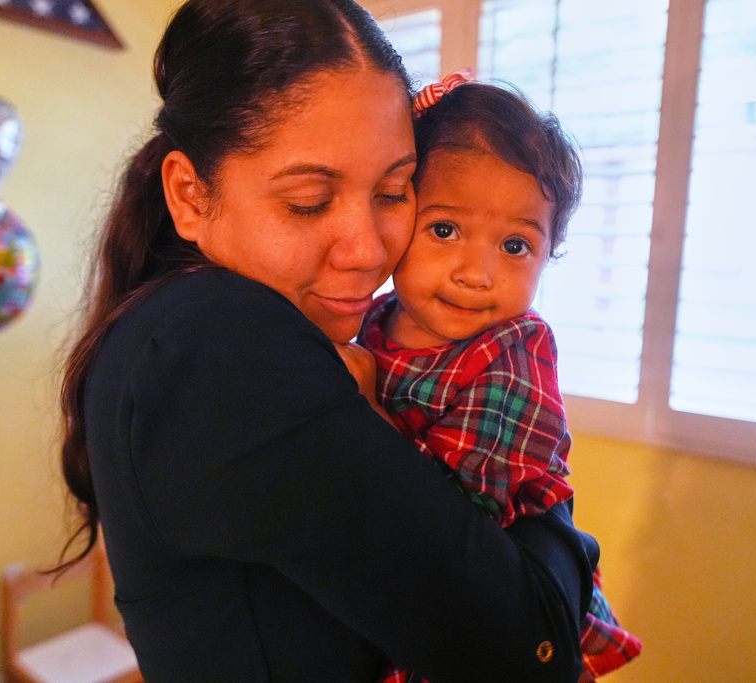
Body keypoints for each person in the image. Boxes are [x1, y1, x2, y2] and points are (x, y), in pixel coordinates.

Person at [58, 1, 600, 680]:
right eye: (309, 200)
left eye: (395, 190)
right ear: (191, 195)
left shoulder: (175, 324)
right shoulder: (216, 343)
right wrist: (553, 510)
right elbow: (526, 649)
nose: (369, 250)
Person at [354, 74, 643, 682]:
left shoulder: (515, 353)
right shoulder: (373, 318)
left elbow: (460, 522)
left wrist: (361, 412)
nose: (477, 273)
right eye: (445, 230)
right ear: (395, 215)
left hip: (500, 605)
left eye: (515, 245)